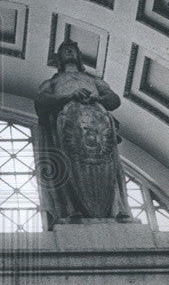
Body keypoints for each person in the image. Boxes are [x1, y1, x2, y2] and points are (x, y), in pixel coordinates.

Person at [34, 40, 132, 225]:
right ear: (58, 58)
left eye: (72, 49)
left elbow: (113, 100)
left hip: (98, 126)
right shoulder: (52, 82)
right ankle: (71, 209)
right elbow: (41, 101)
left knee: (109, 166)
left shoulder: (94, 80)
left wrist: (98, 97)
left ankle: (117, 208)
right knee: (67, 165)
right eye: (64, 50)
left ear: (79, 56)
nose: (69, 51)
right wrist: (69, 96)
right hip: (67, 128)